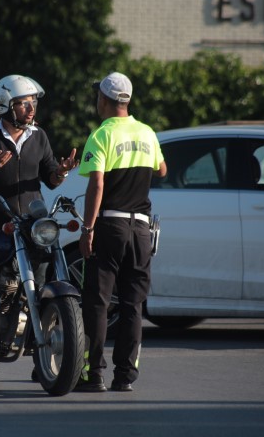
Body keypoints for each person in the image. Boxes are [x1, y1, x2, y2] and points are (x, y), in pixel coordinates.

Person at [0, 74, 78, 383]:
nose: (30, 109)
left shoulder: (38, 136)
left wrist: (62, 172)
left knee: (39, 291)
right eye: (23, 104)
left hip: (32, 226)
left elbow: (50, 178)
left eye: (33, 103)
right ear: (5, 105)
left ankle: (40, 358)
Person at [75, 71, 167, 392]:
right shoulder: (147, 132)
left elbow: (97, 184)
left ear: (103, 99)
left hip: (110, 225)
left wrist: (87, 228)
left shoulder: (102, 134)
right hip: (141, 229)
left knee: (97, 302)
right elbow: (162, 169)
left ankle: (93, 374)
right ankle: (125, 376)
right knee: (132, 305)